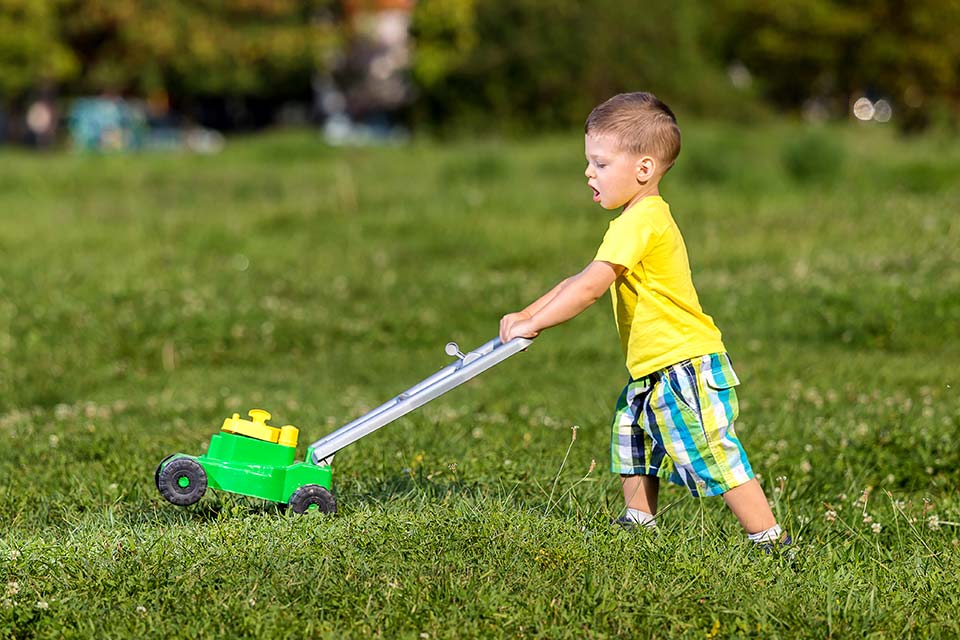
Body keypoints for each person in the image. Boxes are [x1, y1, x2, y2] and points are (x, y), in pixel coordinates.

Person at [499, 92, 790, 550]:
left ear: (643, 169)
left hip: (683, 365)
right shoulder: (635, 219)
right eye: (588, 163)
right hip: (655, 367)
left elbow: (590, 288)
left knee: (712, 452)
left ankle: (770, 540)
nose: (588, 173)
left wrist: (538, 324)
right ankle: (639, 523)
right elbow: (579, 277)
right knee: (633, 438)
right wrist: (528, 314)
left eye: (600, 163)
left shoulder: (641, 222)